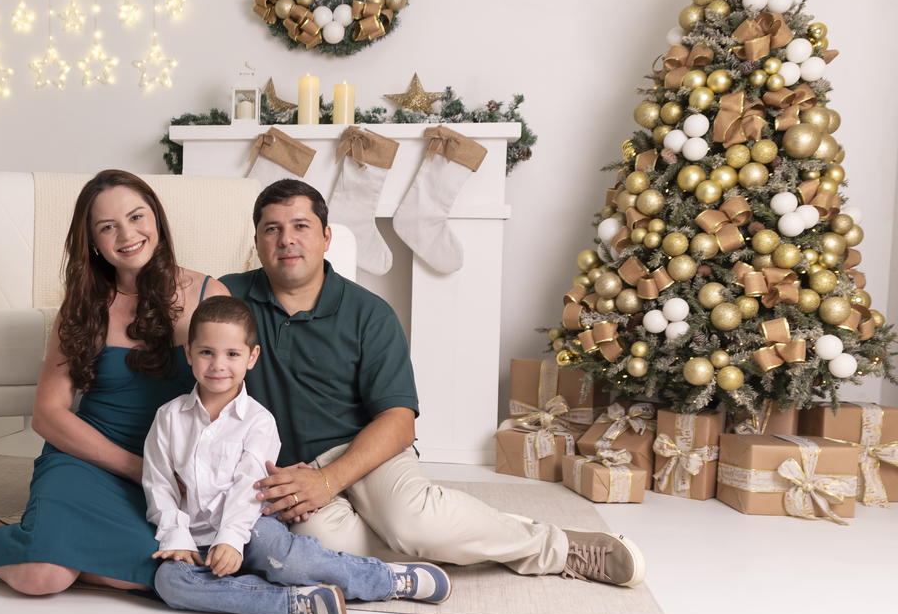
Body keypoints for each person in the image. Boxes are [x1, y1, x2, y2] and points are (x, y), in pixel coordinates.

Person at [220, 179, 646, 587]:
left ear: (326, 237)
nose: (286, 240)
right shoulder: (225, 301)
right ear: (256, 241)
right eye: (271, 229)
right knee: (322, 548)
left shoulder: (369, 313)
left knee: (412, 523)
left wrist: (329, 481)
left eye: (301, 226)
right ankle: (475, 531)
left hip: (366, 452)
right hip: (292, 472)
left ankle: (557, 548)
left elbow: (399, 422)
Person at [0, 170, 231, 596]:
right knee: (41, 576)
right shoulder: (84, 305)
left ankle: (33, 535)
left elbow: (234, 401)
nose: (127, 235)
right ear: (92, 240)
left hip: (173, 470)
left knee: (162, 570)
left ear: (157, 219)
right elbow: (47, 414)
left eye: (136, 217)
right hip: (89, 458)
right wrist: (139, 468)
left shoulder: (209, 295)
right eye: (107, 226)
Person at [143, 296, 452, 614]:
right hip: (196, 535)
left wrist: (231, 539)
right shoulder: (168, 417)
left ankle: (389, 580)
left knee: (288, 561)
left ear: (251, 357)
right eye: (207, 352)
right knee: (169, 582)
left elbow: (249, 486)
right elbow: (159, 484)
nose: (218, 365)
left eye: (232, 354)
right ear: (189, 353)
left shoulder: (259, 421)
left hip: (250, 526)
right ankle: (298, 601)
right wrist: (177, 538)